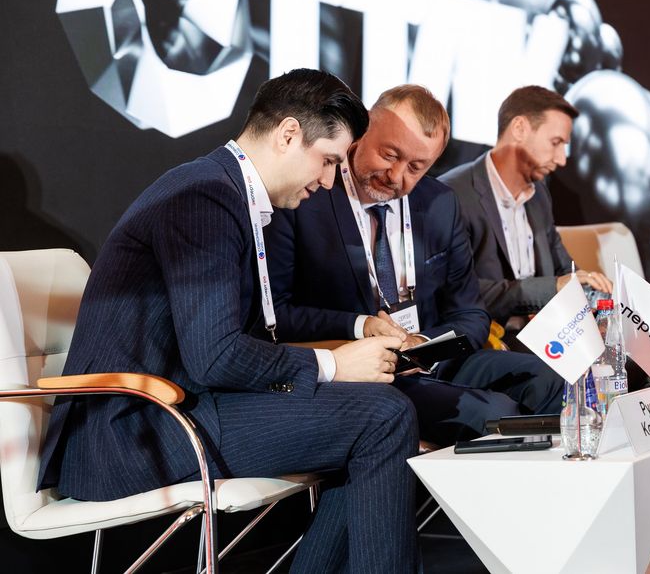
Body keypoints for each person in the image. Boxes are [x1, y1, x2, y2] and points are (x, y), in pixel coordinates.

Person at [37, 70, 419, 573]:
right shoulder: (204, 198)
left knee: (375, 412)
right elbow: (215, 356)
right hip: (132, 432)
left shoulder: (223, 190)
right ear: (288, 134)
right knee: (383, 417)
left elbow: (242, 338)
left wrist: (351, 344)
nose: (329, 181)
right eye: (328, 160)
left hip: (178, 408)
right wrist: (332, 366)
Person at [264, 84, 563, 445]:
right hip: (362, 371)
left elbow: (471, 315)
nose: (396, 175)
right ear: (363, 130)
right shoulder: (306, 196)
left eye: (416, 167)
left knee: (550, 379)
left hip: (432, 359)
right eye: (389, 155)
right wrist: (360, 327)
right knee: (494, 413)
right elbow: (277, 314)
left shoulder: (439, 203)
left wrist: (422, 344)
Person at [440, 85, 612, 330]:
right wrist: (552, 288)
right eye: (555, 142)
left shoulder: (539, 193)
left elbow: (563, 268)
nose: (562, 159)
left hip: (547, 334)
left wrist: (589, 290)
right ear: (519, 128)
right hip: (489, 337)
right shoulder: (452, 194)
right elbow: (458, 291)